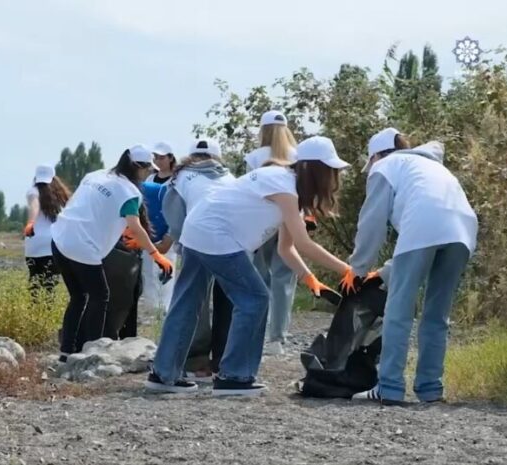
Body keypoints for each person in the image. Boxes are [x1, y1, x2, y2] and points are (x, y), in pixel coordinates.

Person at [146, 136, 354, 396]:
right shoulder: (284, 186)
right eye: (332, 172)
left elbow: (286, 247)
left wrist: (308, 277)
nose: (335, 178)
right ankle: (235, 377)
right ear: (317, 170)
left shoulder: (284, 184)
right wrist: (348, 270)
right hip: (216, 236)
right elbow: (304, 243)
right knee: (254, 298)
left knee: (187, 302)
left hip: (197, 229)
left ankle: (163, 374)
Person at [346, 128, 478, 405]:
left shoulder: (384, 166)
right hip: (463, 230)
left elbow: (372, 223)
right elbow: (427, 226)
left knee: (399, 311)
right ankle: (430, 389)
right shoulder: (430, 166)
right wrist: (381, 272)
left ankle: (390, 387)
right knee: (436, 315)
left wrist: (357, 269)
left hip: (423, 227)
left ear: (377, 155)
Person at [51, 145, 174, 362]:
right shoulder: (129, 192)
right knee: (100, 296)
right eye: (147, 170)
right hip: (83, 246)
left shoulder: (95, 175)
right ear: (139, 167)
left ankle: (67, 350)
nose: (147, 174)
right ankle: (92, 351)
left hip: (60, 237)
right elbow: (135, 227)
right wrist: (156, 255)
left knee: (79, 297)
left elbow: (92, 206)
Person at [161, 138, 236, 380]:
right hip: (230, 247)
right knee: (229, 304)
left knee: (195, 305)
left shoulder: (180, 178)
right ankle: (224, 363)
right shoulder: (230, 179)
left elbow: (173, 218)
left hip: (195, 244)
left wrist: (177, 242)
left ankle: (196, 363)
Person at [244, 110, 299, 356]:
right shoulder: (296, 155)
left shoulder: (254, 156)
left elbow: (249, 190)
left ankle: (258, 331)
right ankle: (278, 337)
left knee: (260, 277)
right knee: (284, 279)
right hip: (289, 219)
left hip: (261, 221)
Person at [140, 142, 178, 314]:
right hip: (150, 233)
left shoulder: (176, 180)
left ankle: (164, 310)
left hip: (168, 234)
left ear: (170, 158)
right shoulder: (149, 180)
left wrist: (169, 236)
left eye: (162, 157)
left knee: (166, 273)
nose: (158, 161)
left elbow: (175, 210)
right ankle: (151, 309)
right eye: (155, 157)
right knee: (148, 272)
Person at [23, 165, 71, 295]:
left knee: (34, 280)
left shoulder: (33, 191)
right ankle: (47, 311)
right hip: (54, 243)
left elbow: (34, 206)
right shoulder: (61, 195)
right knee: (50, 284)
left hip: (34, 242)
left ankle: (34, 312)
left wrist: (31, 222)